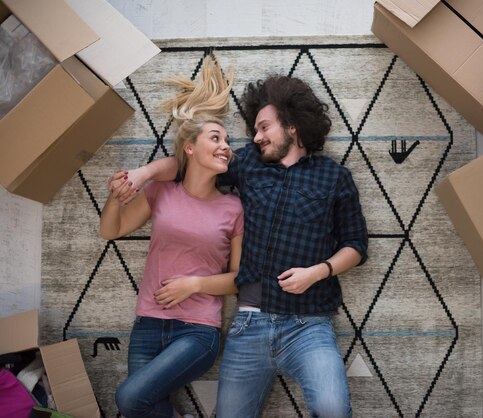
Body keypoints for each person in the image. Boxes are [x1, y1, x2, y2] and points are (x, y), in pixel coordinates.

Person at [115, 75, 368, 418]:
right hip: (250, 324)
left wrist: (317, 272)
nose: (256, 136)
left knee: (333, 409)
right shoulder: (248, 163)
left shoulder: (334, 176)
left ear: (292, 127)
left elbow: (355, 245)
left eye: (264, 128)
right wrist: (144, 174)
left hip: (309, 324)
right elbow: (188, 165)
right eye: (255, 129)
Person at [101, 57, 243, 418]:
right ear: (190, 149)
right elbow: (110, 230)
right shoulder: (162, 192)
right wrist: (115, 195)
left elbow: (239, 281)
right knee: (144, 407)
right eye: (216, 138)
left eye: (227, 141)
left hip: (198, 332)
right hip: (148, 323)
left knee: (130, 398)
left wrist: (193, 285)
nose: (225, 145)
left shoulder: (233, 208)